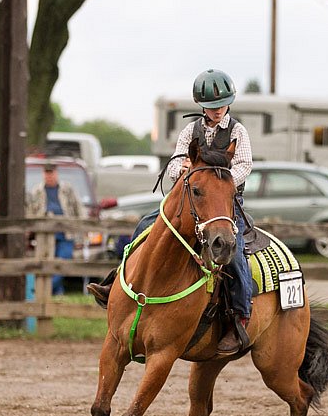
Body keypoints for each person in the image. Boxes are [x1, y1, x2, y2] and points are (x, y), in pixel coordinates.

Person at [88, 68, 253, 355]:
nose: (216, 110)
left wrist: (217, 182)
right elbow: (176, 163)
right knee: (143, 227)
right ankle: (115, 281)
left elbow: (244, 166)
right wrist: (185, 171)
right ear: (202, 106)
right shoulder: (191, 131)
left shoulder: (237, 131)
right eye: (211, 106)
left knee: (236, 255)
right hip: (188, 203)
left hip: (221, 207)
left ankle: (239, 317)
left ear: (229, 102)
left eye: (221, 105)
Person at [26, 163, 85, 296]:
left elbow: (79, 208)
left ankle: (40, 290)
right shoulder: (37, 191)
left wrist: (82, 229)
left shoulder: (67, 189)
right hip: (44, 233)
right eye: (46, 173)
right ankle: (56, 291)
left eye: (51, 172)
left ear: (56, 173)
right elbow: (30, 211)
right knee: (46, 261)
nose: (49, 176)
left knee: (64, 260)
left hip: (66, 232)